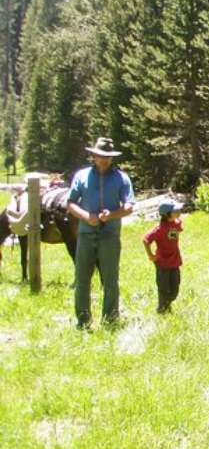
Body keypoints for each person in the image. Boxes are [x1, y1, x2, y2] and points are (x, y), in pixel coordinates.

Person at [67, 137, 135, 328]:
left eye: (107, 156)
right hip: (86, 234)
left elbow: (129, 206)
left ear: (112, 158)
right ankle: (83, 320)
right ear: (94, 156)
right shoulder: (81, 176)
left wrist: (112, 214)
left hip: (110, 235)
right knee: (82, 278)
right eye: (100, 155)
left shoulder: (122, 178)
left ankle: (110, 319)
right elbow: (70, 203)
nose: (103, 159)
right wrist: (86, 215)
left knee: (110, 279)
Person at [143, 200, 184, 314]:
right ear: (166, 215)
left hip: (175, 261)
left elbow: (179, 227)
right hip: (162, 263)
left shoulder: (176, 223)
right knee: (163, 287)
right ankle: (162, 309)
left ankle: (167, 303)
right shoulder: (159, 229)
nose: (178, 212)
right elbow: (146, 240)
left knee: (175, 288)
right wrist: (151, 255)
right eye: (175, 211)